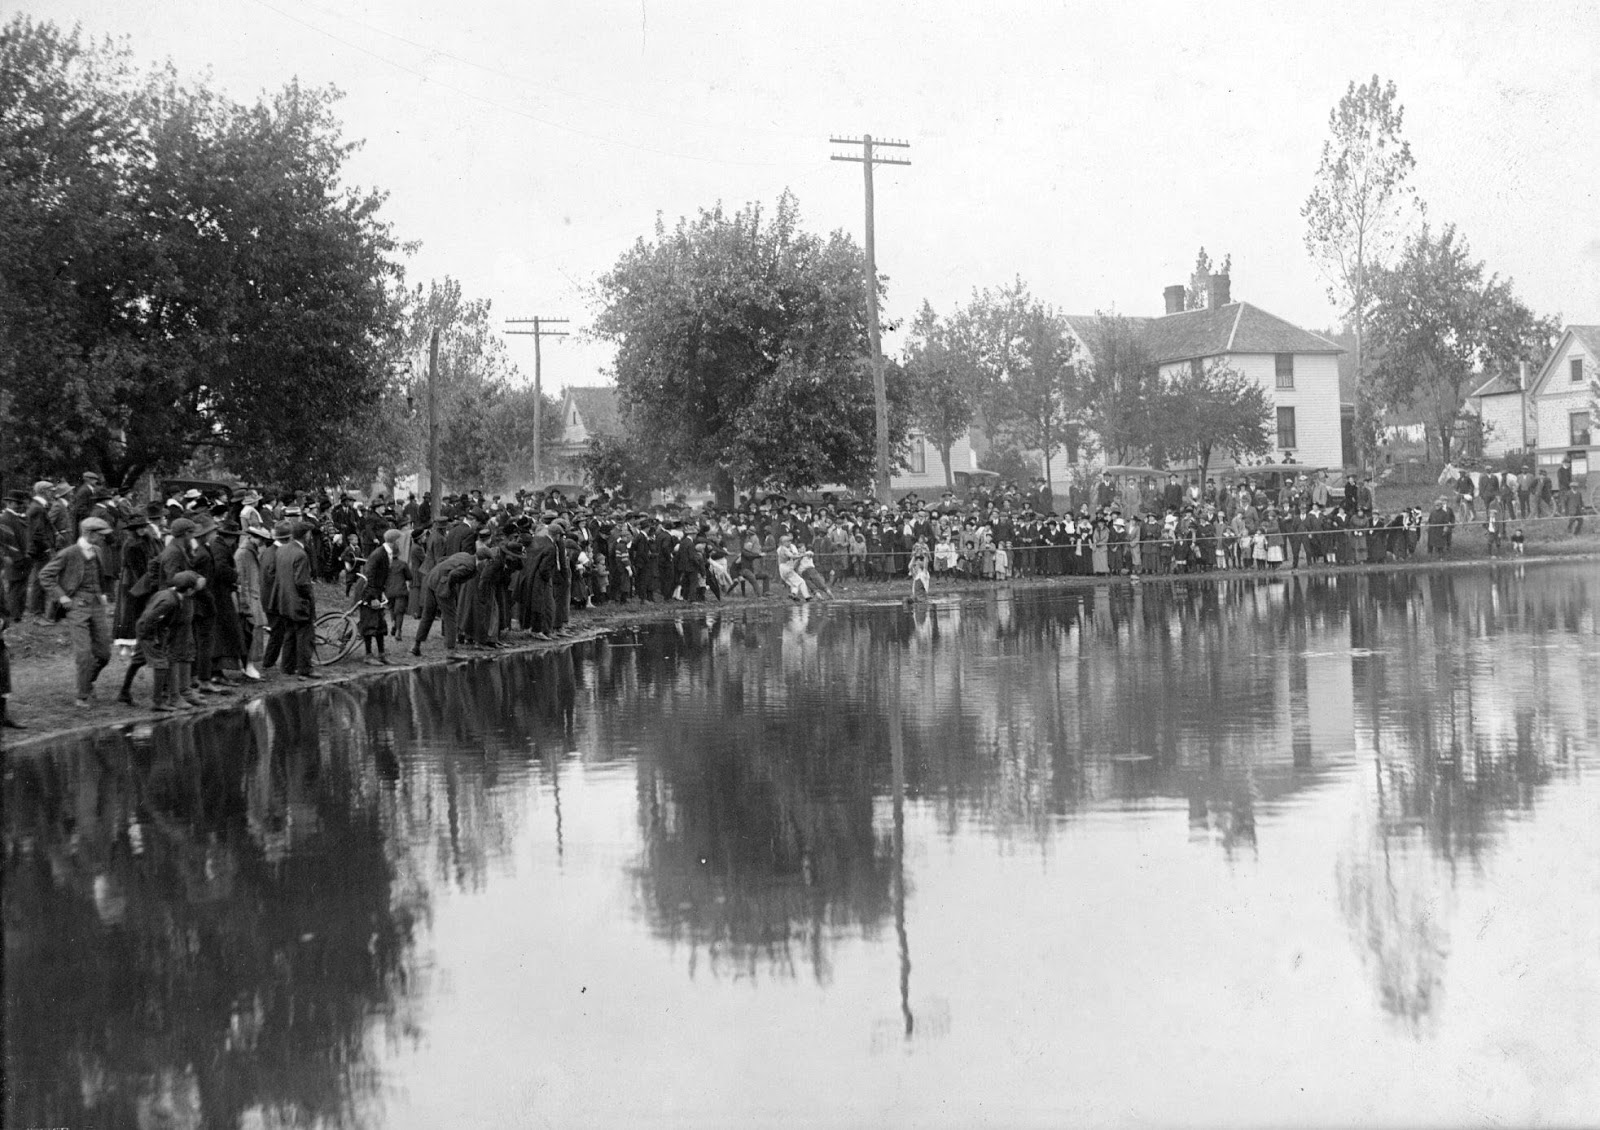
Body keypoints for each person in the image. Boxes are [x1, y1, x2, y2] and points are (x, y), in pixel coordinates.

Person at [38, 516, 115, 706]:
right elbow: (45, 575)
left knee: (104, 653)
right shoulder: (69, 553)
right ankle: (82, 695)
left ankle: (88, 682)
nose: (103, 538)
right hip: (76, 606)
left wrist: (102, 594)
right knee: (84, 653)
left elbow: (99, 575)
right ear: (89, 533)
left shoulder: (97, 550)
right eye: (100, 534)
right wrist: (62, 596)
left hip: (96, 604)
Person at [135, 571, 205, 711]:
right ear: (189, 590)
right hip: (148, 634)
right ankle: (158, 701)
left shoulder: (167, 594)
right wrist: (153, 637)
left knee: (168, 660)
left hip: (155, 633)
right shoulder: (170, 601)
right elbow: (149, 619)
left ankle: (172, 697)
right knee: (161, 664)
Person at [262, 520, 316, 679]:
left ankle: (287, 667)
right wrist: (309, 595)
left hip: (282, 601)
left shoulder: (282, 550)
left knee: (289, 635)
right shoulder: (300, 554)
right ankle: (305, 669)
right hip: (298, 601)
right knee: (305, 635)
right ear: (306, 535)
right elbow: (301, 582)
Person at [909, 534, 931, 599]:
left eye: (917, 564)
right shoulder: (915, 575)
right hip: (916, 596)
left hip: (922, 596)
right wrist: (914, 556)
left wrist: (925, 556)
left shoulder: (924, 574)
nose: (916, 565)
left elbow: (926, 564)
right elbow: (910, 566)